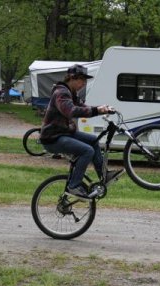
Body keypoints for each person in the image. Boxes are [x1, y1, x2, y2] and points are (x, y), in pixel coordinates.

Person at [40, 64, 124, 199]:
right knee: (87, 151)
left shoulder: (71, 93)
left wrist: (101, 108)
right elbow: (71, 111)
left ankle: (104, 175)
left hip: (64, 133)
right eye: (82, 80)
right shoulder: (61, 93)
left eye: (85, 81)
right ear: (72, 78)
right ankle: (74, 186)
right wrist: (97, 110)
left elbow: (84, 107)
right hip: (53, 138)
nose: (84, 84)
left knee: (93, 141)